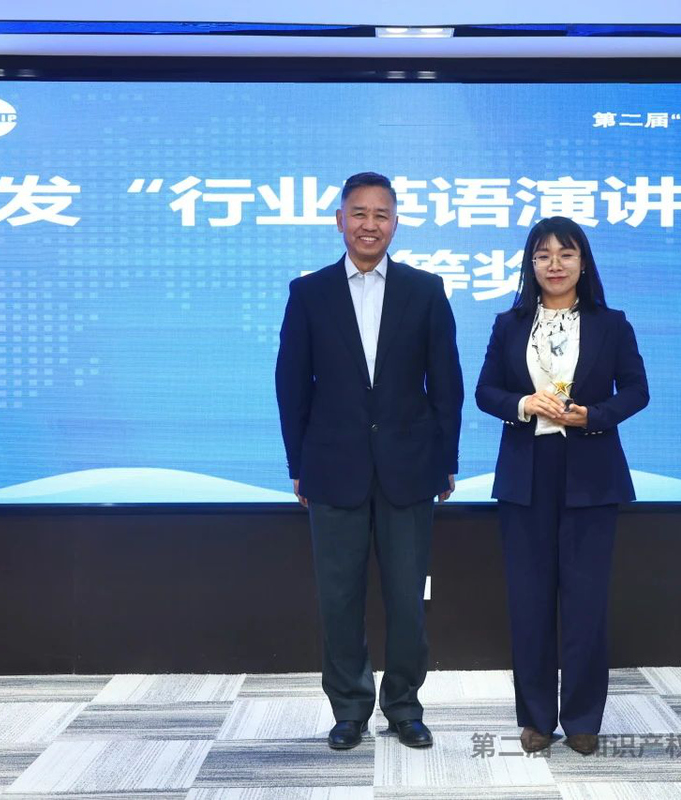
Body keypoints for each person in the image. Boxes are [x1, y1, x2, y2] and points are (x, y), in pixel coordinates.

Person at [275, 172, 463, 751]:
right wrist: (297, 464)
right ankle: (350, 708)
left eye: (381, 214)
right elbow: (291, 385)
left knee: (408, 599)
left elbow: (447, 383)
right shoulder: (308, 293)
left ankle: (404, 706)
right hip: (332, 467)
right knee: (339, 599)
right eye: (359, 213)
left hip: (410, 467)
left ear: (396, 223)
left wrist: (447, 459)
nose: (369, 225)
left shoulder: (425, 290)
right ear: (340, 220)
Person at [475, 216, 649, 756]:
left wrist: (593, 415)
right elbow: (485, 392)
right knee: (529, 601)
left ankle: (582, 718)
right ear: (530, 264)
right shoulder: (509, 324)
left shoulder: (611, 324)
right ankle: (535, 718)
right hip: (526, 474)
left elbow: (637, 390)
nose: (555, 265)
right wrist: (523, 403)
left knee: (585, 602)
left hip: (591, 475)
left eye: (566, 254)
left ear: (583, 262)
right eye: (543, 255)